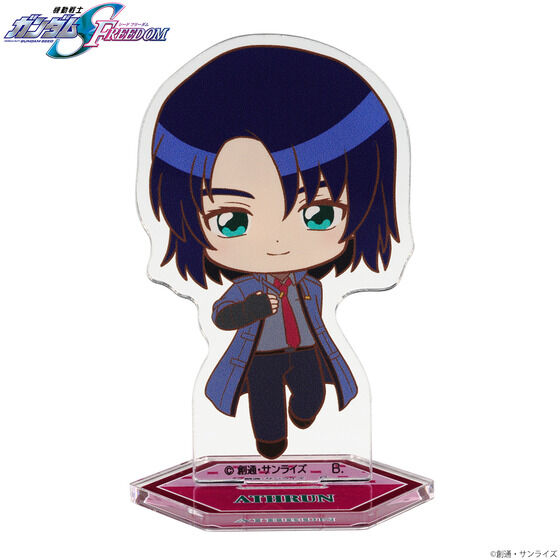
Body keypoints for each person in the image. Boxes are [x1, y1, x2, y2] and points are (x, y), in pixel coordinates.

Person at [149, 46, 399, 458]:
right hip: (260, 353)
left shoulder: (311, 286)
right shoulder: (247, 288)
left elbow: (317, 320)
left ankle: (304, 410)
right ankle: (270, 442)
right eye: (233, 221)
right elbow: (221, 316)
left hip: (306, 349)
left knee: (313, 391)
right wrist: (251, 310)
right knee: (264, 401)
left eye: (319, 214)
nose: (278, 243)